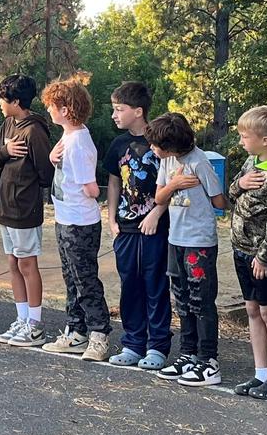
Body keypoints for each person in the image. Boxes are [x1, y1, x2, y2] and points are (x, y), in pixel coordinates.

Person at [146, 112, 226, 386]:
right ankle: (188, 354)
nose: (153, 149)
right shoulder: (167, 162)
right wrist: (175, 184)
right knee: (180, 299)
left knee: (200, 300)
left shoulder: (199, 162)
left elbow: (219, 201)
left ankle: (208, 360)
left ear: (172, 144)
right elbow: (158, 197)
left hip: (199, 242)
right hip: (175, 239)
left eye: (157, 145)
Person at [226, 105, 267, 400]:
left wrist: (265, 255)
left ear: (265, 139)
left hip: (262, 256)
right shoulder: (250, 164)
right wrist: (240, 184)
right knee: (252, 309)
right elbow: (231, 195)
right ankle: (260, 373)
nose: (241, 140)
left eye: (245, 136)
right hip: (241, 249)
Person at [104, 81, 172, 369]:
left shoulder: (159, 142)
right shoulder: (118, 144)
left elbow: (172, 179)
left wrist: (157, 212)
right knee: (129, 283)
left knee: (154, 283)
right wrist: (110, 218)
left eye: (120, 109)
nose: (114, 115)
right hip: (126, 227)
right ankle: (133, 342)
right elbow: (114, 180)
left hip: (155, 227)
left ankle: (157, 346)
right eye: (114, 109)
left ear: (139, 111)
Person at [40, 75, 109, 358]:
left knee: (85, 280)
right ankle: (76, 331)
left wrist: (89, 189)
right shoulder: (69, 136)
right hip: (66, 218)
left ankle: (99, 334)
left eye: (52, 106)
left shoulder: (78, 141)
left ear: (65, 109)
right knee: (72, 278)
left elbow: (91, 188)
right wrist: (53, 160)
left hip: (80, 222)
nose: (49, 110)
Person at [0, 74, 53, 347]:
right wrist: (4, 150)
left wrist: (27, 194)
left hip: (23, 210)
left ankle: (35, 325)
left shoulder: (34, 130)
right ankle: (22, 318)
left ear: (16, 101)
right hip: (3, 207)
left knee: (27, 264)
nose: (0, 104)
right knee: (13, 263)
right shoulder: (6, 125)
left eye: (4, 100)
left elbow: (46, 171)